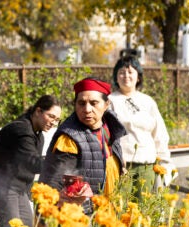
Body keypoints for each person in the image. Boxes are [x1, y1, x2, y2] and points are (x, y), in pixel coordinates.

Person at [39, 77, 126, 214]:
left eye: (93, 103)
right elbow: (56, 182)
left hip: (111, 208)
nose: (87, 109)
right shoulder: (69, 137)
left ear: (106, 104)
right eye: (81, 103)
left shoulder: (110, 127)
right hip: (83, 215)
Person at [0, 95, 62, 227]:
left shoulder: (37, 134)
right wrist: (62, 161)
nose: (53, 123)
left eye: (57, 120)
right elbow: (33, 163)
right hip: (3, 189)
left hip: (19, 190)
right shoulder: (21, 130)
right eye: (51, 116)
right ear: (38, 111)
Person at [110, 54, 176, 200]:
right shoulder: (110, 100)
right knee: (122, 208)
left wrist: (164, 161)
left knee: (145, 208)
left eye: (130, 72)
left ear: (138, 77)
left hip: (147, 164)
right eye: (121, 72)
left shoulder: (148, 101)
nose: (125, 76)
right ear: (116, 77)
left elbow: (159, 134)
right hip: (122, 165)